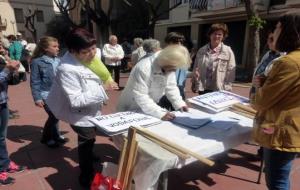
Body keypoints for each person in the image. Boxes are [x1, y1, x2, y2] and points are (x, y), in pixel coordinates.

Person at [46, 28, 118, 188]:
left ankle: (90, 155)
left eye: (94, 48)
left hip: (91, 107)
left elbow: (98, 73)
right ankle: (86, 177)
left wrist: (105, 81)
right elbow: (76, 100)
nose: (93, 53)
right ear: (73, 51)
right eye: (87, 51)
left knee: (90, 139)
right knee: (85, 142)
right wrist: (103, 89)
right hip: (79, 114)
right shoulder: (66, 69)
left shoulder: (89, 56)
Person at [251, 11, 300, 190]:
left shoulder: (287, 62)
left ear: (289, 31)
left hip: (279, 131)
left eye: (278, 27)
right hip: (292, 128)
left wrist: (259, 90)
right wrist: (268, 82)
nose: (275, 32)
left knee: (276, 181)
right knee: (282, 177)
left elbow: (261, 102)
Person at [117, 45, 190, 120]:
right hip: (131, 107)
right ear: (167, 62)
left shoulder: (168, 65)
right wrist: (160, 113)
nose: (174, 71)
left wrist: (179, 103)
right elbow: (141, 95)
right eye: (173, 68)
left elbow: (171, 87)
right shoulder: (144, 68)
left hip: (148, 107)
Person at [30, 36, 68, 148]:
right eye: (54, 46)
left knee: (57, 115)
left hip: (59, 93)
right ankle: (46, 138)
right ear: (46, 48)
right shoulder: (37, 62)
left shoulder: (59, 60)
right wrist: (37, 98)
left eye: (58, 46)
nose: (57, 48)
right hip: (46, 94)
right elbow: (35, 81)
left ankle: (55, 135)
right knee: (54, 115)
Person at [0, 42, 26, 185]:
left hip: (2, 102)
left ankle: (4, 163)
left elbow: (13, 80)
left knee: (1, 138)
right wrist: (6, 70)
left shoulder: (2, 58)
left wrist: (11, 66)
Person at [192, 23, 236, 94]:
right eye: (214, 33)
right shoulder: (201, 50)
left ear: (223, 36)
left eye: (220, 34)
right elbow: (195, 68)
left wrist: (227, 88)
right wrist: (194, 83)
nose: (216, 36)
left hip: (219, 88)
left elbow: (231, 72)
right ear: (210, 35)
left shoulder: (228, 51)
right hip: (203, 88)